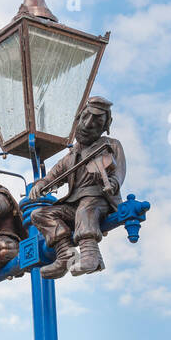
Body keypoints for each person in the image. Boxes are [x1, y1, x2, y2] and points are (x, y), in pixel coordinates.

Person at [28, 96, 125, 278]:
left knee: (85, 208)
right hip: (74, 204)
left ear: (105, 126)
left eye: (97, 122)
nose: (88, 125)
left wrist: (113, 182)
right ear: (78, 119)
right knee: (39, 214)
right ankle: (65, 254)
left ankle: (90, 254)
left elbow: (119, 172)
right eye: (85, 118)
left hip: (99, 200)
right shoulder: (70, 157)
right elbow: (51, 177)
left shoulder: (110, 145)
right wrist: (40, 185)